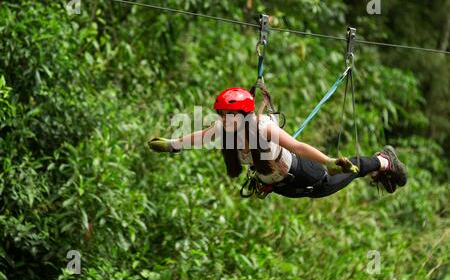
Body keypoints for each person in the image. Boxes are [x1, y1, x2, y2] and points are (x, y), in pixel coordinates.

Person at [148, 86, 407, 198]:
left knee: (337, 178)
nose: (224, 120)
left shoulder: (262, 127)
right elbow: (197, 137)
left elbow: (297, 146)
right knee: (334, 181)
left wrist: (328, 162)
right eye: (222, 115)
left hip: (305, 172)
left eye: (229, 116)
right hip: (281, 186)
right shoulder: (223, 129)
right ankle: (378, 166)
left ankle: (383, 162)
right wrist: (172, 145)